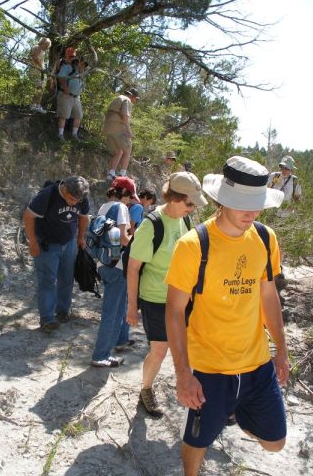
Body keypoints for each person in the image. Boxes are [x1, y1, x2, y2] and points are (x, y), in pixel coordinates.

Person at [165, 156, 289, 476]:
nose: (251, 212)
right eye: (242, 204)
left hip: (257, 364)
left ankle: (236, 413)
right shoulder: (193, 246)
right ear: (222, 200)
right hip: (209, 369)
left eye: (256, 204)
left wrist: (281, 351)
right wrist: (183, 374)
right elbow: (175, 312)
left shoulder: (265, 238)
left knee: (275, 442)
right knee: (198, 441)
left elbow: (268, 295)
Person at [126, 172, 208, 417]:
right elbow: (133, 268)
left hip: (183, 298)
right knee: (160, 351)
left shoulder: (184, 220)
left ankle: (190, 389)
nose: (192, 208)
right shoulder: (152, 225)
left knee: (189, 349)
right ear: (174, 198)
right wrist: (132, 307)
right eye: (189, 203)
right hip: (157, 299)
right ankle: (146, 389)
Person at [23, 176, 90, 332]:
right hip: (46, 245)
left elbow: (84, 217)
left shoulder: (81, 197)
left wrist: (80, 237)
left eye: (77, 201)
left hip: (69, 243)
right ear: (65, 188)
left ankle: (62, 312)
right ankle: (47, 319)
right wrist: (33, 242)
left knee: (67, 278)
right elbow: (28, 216)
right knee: (47, 281)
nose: (74, 203)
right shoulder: (48, 195)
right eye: (72, 199)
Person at [91, 177, 141, 367]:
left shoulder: (103, 207)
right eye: (130, 197)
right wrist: (136, 244)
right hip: (118, 266)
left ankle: (117, 342)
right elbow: (123, 239)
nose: (130, 202)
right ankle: (100, 355)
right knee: (111, 312)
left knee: (119, 308)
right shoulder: (120, 208)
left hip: (103, 264)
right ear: (124, 193)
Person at [103, 88, 140, 181]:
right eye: (135, 99)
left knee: (118, 151)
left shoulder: (118, 98)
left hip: (108, 127)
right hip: (118, 127)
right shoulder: (127, 100)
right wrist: (129, 131)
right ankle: (122, 174)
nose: (135, 101)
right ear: (132, 96)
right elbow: (125, 116)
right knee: (128, 148)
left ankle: (111, 174)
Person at [56, 47, 87, 140]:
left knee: (78, 115)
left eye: (74, 56)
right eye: (70, 56)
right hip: (66, 96)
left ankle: (74, 135)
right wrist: (65, 89)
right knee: (64, 115)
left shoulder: (78, 71)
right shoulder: (66, 67)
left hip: (76, 97)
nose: (72, 58)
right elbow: (61, 77)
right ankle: (60, 135)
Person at [29, 37, 51, 114]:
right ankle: (35, 106)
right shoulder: (38, 47)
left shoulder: (39, 48)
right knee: (39, 88)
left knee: (39, 88)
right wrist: (42, 67)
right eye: (46, 45)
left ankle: (35, 105)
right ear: (43, 43)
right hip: (36, 71)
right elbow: (34, 57)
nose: (47, 48)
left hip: (38, 71)